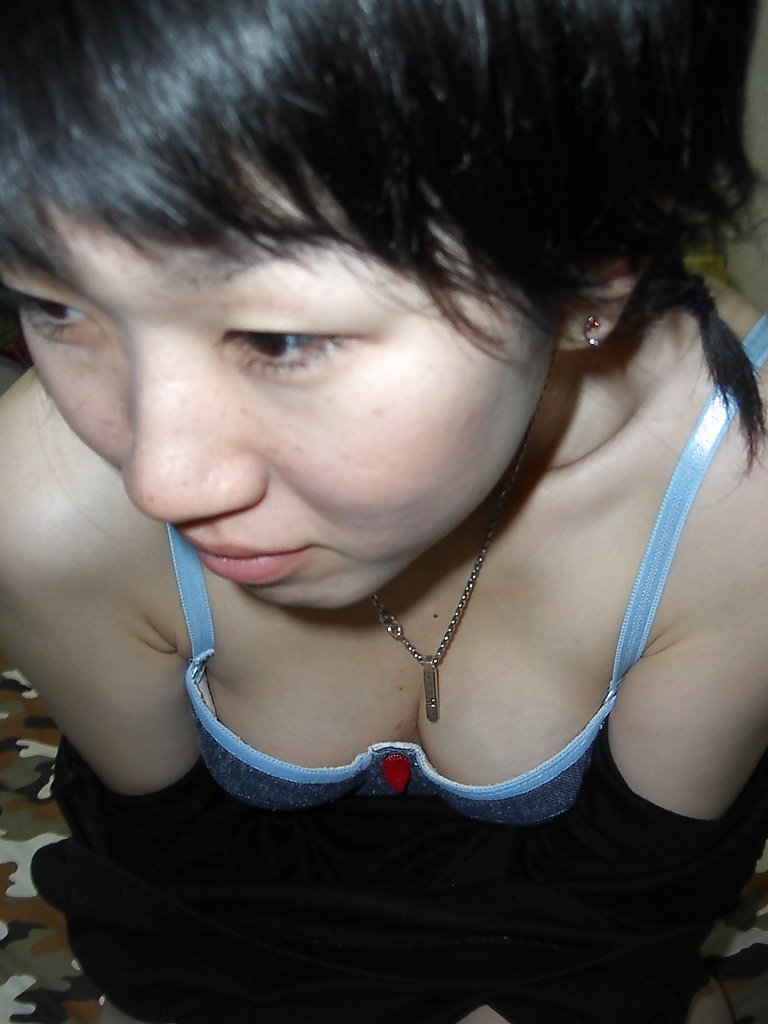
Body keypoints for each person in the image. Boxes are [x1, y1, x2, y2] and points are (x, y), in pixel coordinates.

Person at [0, 1, 766, 1021]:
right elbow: (178, 896)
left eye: (279, 338)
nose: (158, 483)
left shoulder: (739, 498)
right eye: (57, 305)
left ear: (591, 266)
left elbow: (624, 916)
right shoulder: (41, 510)